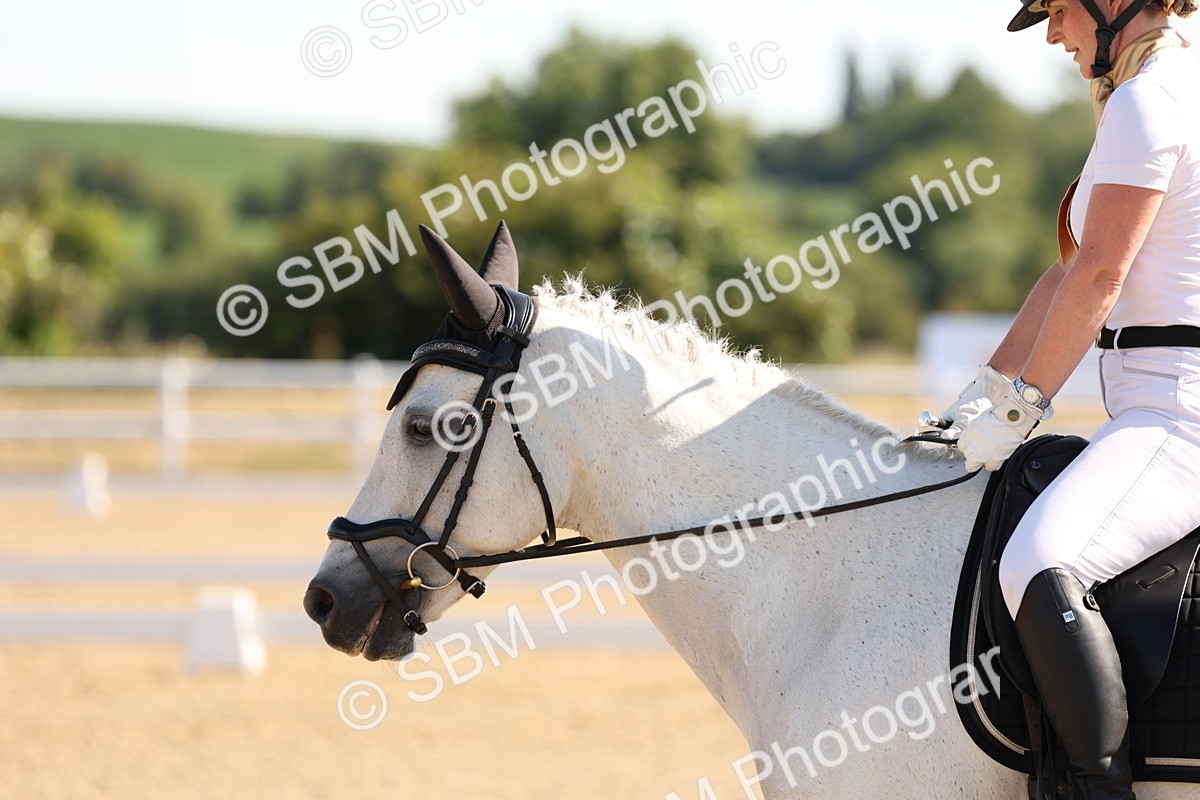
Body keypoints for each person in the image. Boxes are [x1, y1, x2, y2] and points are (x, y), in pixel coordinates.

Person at [922, 1, 1200, 797]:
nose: (1052, 32)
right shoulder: (1151, 88)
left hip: (1181, 414)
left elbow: (1101, 280)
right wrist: (977, 402)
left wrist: (1021, 412)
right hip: (1158, 407)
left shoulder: (1154, 98)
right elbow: (1066, 273)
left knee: (1040, 561)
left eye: (1060, 9)